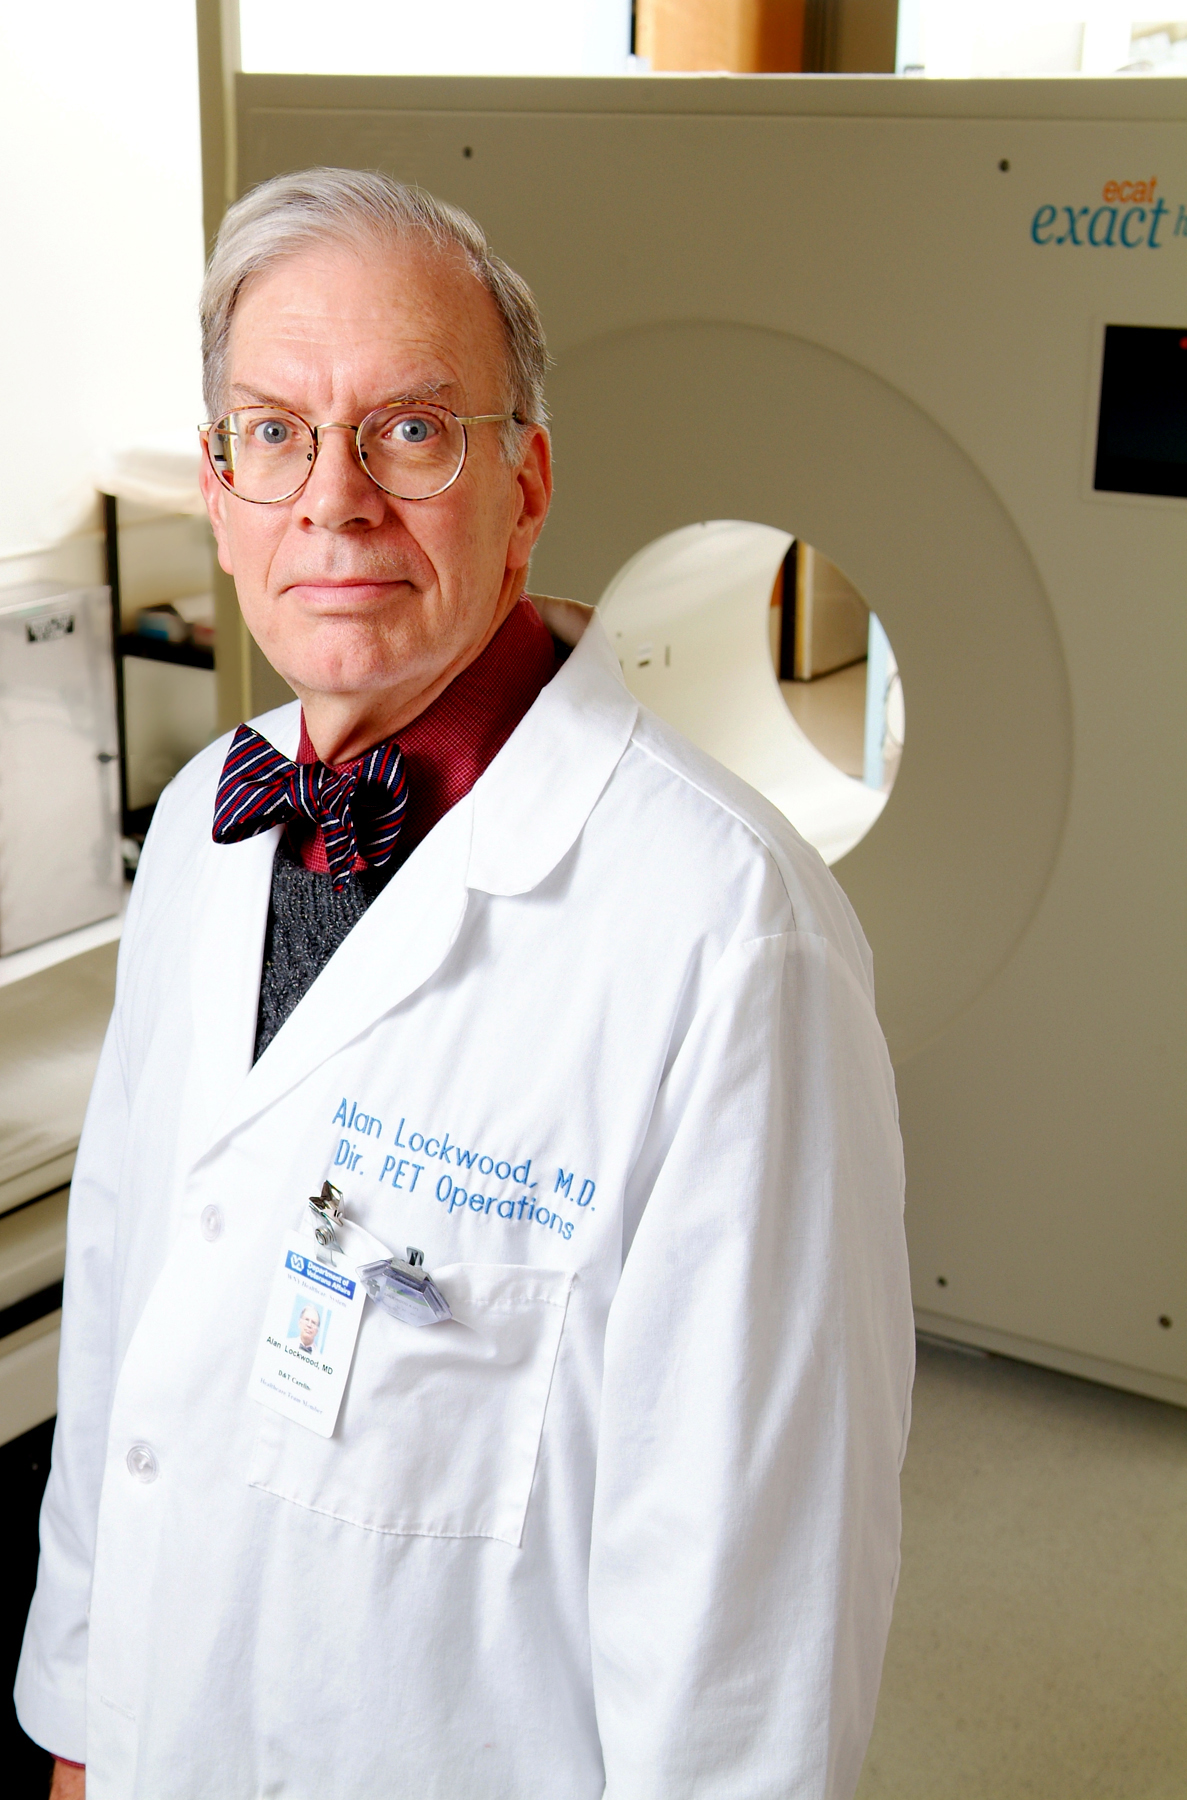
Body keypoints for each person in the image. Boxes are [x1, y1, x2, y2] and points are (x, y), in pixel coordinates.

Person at [18, 169, 913, 1800]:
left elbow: (752, 1612)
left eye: (412, 432)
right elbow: (128, 1318)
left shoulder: (727, 940)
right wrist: (84, 1724)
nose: (335, 502)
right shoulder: (211, 821)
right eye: (275, 433)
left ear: (528, 481)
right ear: (217, 489)